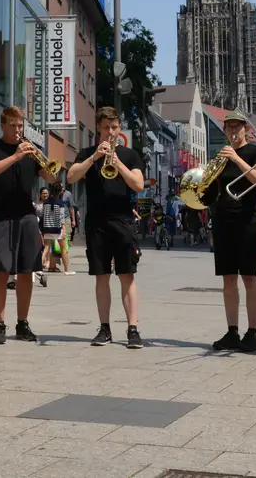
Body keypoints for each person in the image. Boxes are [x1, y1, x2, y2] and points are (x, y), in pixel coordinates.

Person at [67, 107, 147, 348]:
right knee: (101, 277)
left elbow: (138, 185)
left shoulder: (130, 154)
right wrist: (94, 158)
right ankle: (104, 328)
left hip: (123, 221)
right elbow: (70, 177)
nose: (110, 132)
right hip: (97, 223)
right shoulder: (87, 153)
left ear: (119, 128)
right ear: (98, 129)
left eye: (114, 127)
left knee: (126, 276)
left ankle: (132, 328)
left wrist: (117, 162)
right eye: (105, 128)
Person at [0, 105, 58, 344]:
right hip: (1, 216)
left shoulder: (30, 150)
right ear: (2, 125)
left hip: (26, 216)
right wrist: (14, 157)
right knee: (1, 271)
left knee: (27, 270)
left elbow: (51, 177)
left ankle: (22, 323)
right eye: (12, 125)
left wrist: (43, 162)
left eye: (20, 126)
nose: (16, 130)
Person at [206, 111, 256, 353]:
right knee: (228, 278)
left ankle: (252, 333)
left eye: (237, 127)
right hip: (224, 220)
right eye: (229, 127)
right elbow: (212, 191)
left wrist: (236, 159)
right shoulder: (221, 157)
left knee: (249, 277)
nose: (233, 131)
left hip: (247, 220)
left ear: (246, 129)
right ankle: (232, 331)